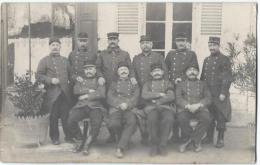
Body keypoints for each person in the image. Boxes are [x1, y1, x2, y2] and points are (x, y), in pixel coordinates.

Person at [96, 32, 137, 143]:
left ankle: (123, 136)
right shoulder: (102, 54)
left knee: (124, 113)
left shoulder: (125, 54)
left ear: (118, 41)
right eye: (110, 39)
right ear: (108, 41)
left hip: (122, 86)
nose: (112, 41)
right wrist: (100, 77)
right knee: (111, 112)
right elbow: (97, 68)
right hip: (107, 87)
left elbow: (131, 68)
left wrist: (132, 77)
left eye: (114, 39)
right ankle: (113, 135)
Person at [132, 35, 168, 145]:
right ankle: (144, 135)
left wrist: (164, 89)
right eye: (143, 43)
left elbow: (165, 73)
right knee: (141, 115)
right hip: (142, 92)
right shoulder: (136, 58)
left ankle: (156, 137)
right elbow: (133, 71)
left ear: (151, 45)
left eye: (148, 43)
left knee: (154, 114)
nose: (145, 45)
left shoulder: (158, 57)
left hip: (154, 90)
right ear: (140, 45)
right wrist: (132, 77)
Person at [36, 37, 73, 145]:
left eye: (57, 45)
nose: (55, 47)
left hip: (65, 93)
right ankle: (55, 138)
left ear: (60, 47)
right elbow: (38, 75)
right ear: (49, 47)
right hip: (51, 95)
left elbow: (71, 75)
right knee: (53, 117)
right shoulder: (44, 60)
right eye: (53, 45)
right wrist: (50, 80)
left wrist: (78, 79)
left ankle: (69, 136)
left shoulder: (65, 60)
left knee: (66, 116)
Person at [165, 32, 199, 142]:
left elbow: (195, 69)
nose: (181, 43)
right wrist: (170, 81)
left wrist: (182, 79)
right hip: (173, 86)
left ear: (186, 42)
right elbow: (166, 69)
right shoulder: (171, 54)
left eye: (183, 41)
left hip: (186, 86)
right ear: (176, 42)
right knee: (173, 110)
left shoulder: (191, 54)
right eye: (179, 41)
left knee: (183, 110)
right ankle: (174, 135)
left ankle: (185, 135)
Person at [68, 60, 106, 155]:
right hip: (81, 106)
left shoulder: (100, 80)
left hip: (95, 107)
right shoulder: (81, 80)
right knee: (70, 120)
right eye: (86, 69)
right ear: (84, 71)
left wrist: (86, 96)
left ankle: (87, 144)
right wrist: (90, 90)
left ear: (95, 70)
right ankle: (80, 140)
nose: (88, 71)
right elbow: (76, 90)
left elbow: (101, 93)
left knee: (96, 124)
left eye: (91, 69)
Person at [200, 36, 233, 148]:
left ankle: (220, 139)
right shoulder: (206, 60)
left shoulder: (224, 59)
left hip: (219, 94)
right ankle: (209, 137)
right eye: (210, 45)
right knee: (209, 116)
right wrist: (202, 92)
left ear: (218, 46)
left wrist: (223, 93)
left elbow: (227, 78)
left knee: (220, 116)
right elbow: (202, 78)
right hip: (209, 94)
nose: (212, 47)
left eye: (214, 45)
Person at [106, 62, 139, 158]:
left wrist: (127, 104)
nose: (123, 71)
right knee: (113, 124)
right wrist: (118, 104)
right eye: (121, 70)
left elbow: (136, 96)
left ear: (129, 72)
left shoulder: (134, 83)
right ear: (117, 72)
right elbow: (109, 96)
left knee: (132, 122)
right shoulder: (113, 83)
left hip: (129, 108)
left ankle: (120, 147)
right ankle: (124, 140)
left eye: (125, 69)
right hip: (116, 108)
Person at [176, 65, 212, 153]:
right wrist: (187, 105)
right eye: (189, 70)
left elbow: (208, 98)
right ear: (186, 73)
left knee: (206, 118)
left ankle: (189, 141)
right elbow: (178, 98)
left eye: (195, 70)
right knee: (181, 118)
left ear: (198, 72)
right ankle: (196, 142)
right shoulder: (181, 84)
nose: (192, 72)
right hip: (185, 108)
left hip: (200, 108)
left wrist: (199, 105)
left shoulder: (203, 84)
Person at [142, 63, 175, 156]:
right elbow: (144, 95)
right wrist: (160, 94)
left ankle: (162, 145)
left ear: (162, 72)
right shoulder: (147, 84)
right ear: (151, 74)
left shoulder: (168, 83)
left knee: (169, 119)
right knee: (151, 120)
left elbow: (171, 96)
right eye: (154, 71)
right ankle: (154, 145)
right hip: (151, 108)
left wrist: (157, 102)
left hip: (166, 107)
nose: (157, 73)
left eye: (158, 71)